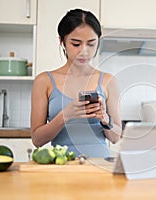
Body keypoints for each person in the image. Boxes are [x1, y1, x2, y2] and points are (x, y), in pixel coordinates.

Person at [30, 9, 122, 157]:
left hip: (100, 166)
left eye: (91, 44)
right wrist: (66, 115)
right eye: (76, 44)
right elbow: (37, 140)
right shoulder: (44, 81)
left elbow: (115, 137)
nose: (84, 51)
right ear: (62, 41)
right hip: (62, 166)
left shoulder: (108, 81)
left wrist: (105, 119)